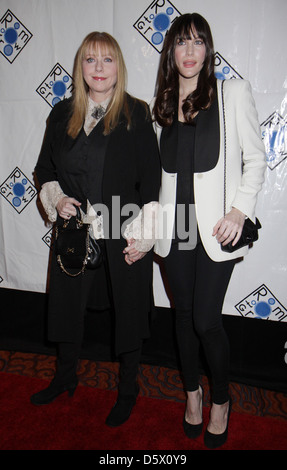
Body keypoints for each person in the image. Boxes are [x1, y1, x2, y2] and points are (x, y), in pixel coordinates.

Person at [31, 32, 160, 428]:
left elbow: (151, 180)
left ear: (118, 66)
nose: (99, 68)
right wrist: (57, 200)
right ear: (80, 67)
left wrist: (144, 231)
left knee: (129, 310)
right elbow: (44, 170)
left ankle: (127, 389)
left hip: (124, 229)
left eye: (107, 60)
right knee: (67, 307)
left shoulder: (137, 113)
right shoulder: (61, 113)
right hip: (74, 230)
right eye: (90, 60)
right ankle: (65, 378)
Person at [152, 13, 266, 448]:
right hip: (176, 227)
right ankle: (192, 395)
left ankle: (221, 399)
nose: (189, 51)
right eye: (182, 42)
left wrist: (239, 211)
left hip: (217, 229)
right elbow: (159, 179)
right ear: (171, 51)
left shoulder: (231, 93)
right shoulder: (161, 104)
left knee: (204, 320)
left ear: (208, 49)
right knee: (182, 318)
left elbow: (255, 160)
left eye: (198, 42)